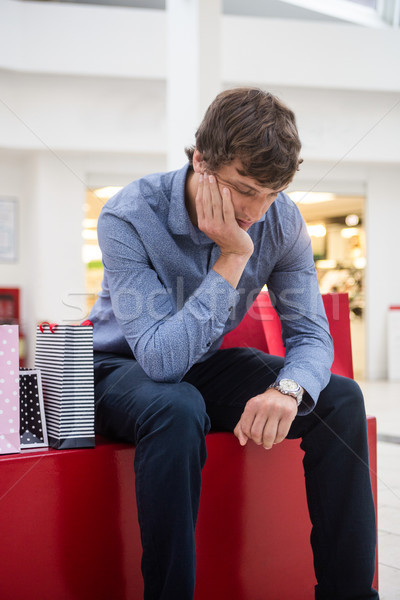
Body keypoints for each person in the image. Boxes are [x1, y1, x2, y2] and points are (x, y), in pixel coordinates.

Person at [89, 87, 378, 600]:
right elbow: (158, 358)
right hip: (120, 367)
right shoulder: (129, 215)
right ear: (201, 161)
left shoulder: (280, 218)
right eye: (244, 188)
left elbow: (310, 334)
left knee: (340, 399)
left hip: (200, 364)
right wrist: (232, 256)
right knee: (176, 405)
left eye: (270, 192)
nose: (256, 209)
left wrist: (288, 389)